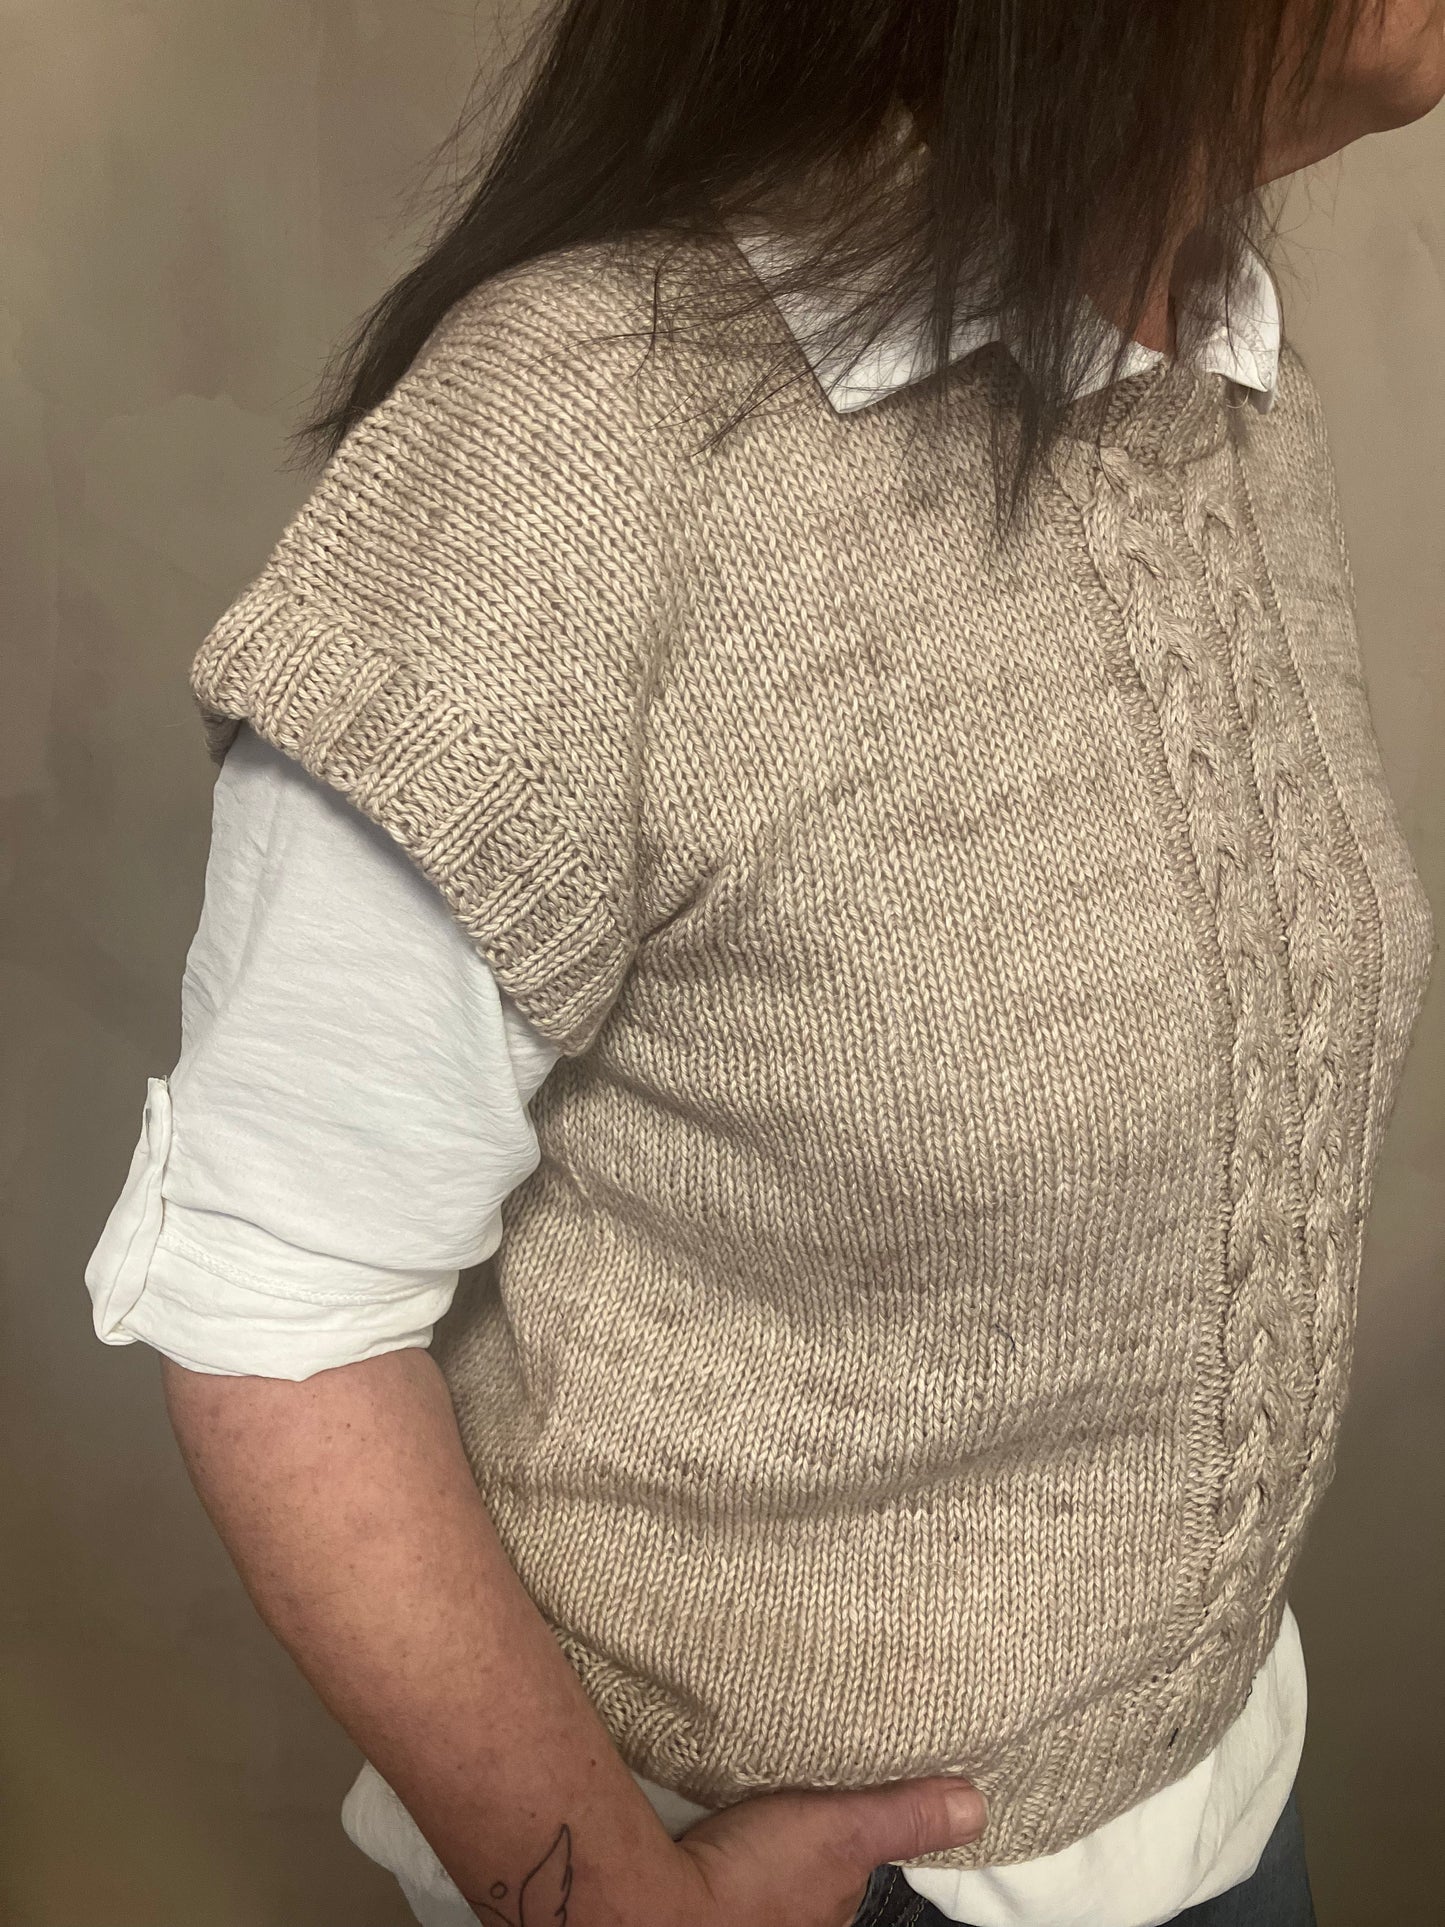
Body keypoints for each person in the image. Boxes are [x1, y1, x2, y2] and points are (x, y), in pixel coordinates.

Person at [84, 2, 1443, 1924]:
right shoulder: (586, 432)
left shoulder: (1216, 369)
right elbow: (271, 1281)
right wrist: (617, 1903)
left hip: (1220, 1797)